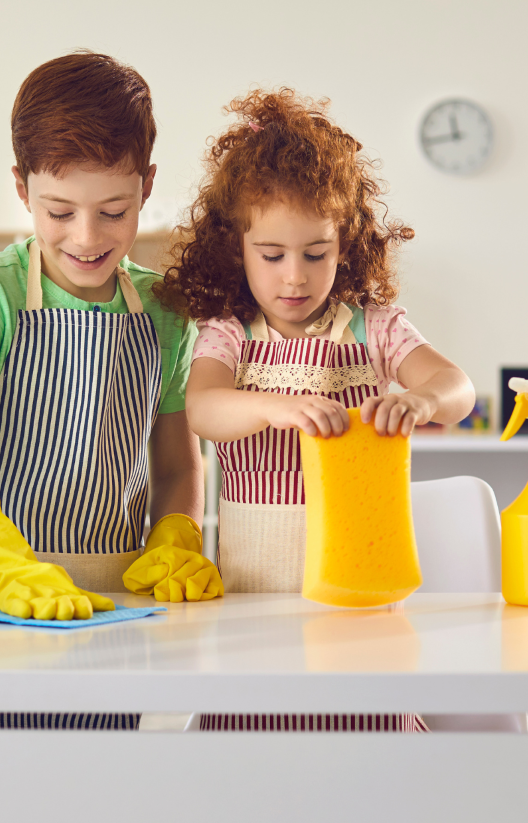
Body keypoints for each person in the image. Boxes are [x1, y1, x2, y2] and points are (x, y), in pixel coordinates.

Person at [157, 88, 475, 732]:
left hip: (360, 604)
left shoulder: (374, 328)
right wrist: (276, 407)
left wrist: (422, 398)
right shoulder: (229, 333)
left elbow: (457, 386)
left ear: (346, 243)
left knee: (361, 743)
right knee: (260, 753)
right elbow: (204, 410)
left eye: (316, 254)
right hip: (253, 601)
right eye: (271, 256)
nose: (294, 277)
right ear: (236, 248)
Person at [0, 51, 214, 729]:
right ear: (21, 188)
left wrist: (175, 538)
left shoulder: (164, 312)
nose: (86, 237)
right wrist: (7, 564)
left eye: (114, 210)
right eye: (59, 211)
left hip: (111, 602)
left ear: (147, 184)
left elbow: (176, 468)